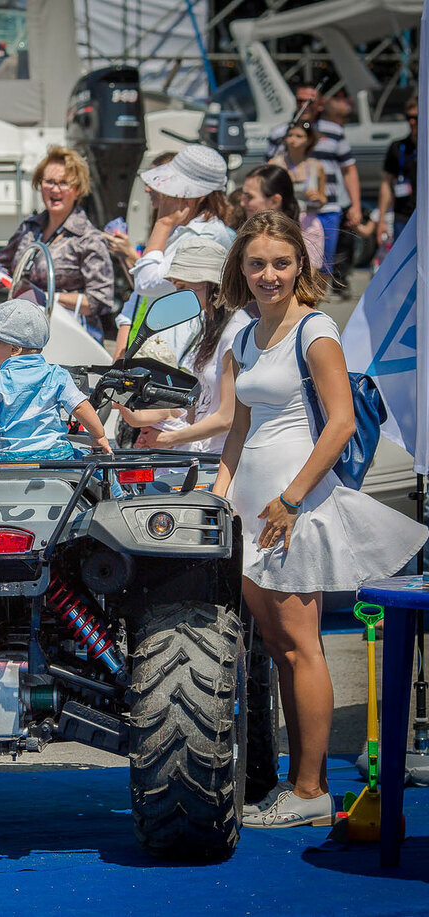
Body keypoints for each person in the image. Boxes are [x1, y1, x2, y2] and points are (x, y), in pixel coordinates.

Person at [212, 210, 426, 828]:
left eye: (281, 263)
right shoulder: (246, 335)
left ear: (300, 267)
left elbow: (341, 423)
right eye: (257, 263)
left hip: (292, 508)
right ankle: (297, 783)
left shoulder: (317, 330)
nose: (269, 274)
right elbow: (239, 430)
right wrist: (220, 499)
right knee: (279, 648)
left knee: (301, 647)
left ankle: (310, 790)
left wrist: (292, 499)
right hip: (253, 509)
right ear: (242, 269)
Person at [115, 236, 249, 453]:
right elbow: (195, 405)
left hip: (218, 460)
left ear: (213, 285)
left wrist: (169, 438)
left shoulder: (235, 332)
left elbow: (227, 417)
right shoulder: (206, 325)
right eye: (177, 287)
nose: (179, 295)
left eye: (185, 286)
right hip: (199, 453)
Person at [0, 299, 111, 459]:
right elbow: (81, 407)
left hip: (7, 457)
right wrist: (99, 436)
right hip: (54, 455)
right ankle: (116, 494)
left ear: (14, 349)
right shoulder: (57, 375)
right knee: (97, 469)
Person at [115, 144, 235, 362]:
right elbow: (141, 295)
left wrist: (163, 223)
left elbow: (146, 283)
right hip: (159, 349)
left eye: (168, 187)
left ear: (192, 197)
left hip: (184, 357)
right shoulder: (184, 231)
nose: (149, 189)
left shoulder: (208, 237)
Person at [0, 146, 113, 343]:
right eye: (49, 182)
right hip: (26, 333)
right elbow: (2, 263)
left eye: (64, 183)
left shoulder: (89, 238)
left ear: (78, 189)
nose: (55, 189)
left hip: (71, 336)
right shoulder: (29, 227)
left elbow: (99, 301)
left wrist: (45, 298)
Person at [265, 83, 361, 278]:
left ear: (320, 104)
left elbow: (349, 169)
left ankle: (314, 306)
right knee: (290, 264)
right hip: (292, 211)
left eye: (310, 101)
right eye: (300, 100)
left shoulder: (334, 131)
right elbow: (266, 175)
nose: (304, 105)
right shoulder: (280, 133)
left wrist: (356, 205)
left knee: (323, 267)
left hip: (327, 209)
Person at [240, 164, 324, 276]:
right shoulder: (241, 222)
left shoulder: (308, 226)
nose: (242, 203)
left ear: (275, 201)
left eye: (249, 197)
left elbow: (310, 276)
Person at [377, 94, 418, 244]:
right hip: (403, 213)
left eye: (417, 118)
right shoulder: (397, 147)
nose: (412, 122)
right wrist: (381, 220)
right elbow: (386, 184)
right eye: (409, 118)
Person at [269, 121, 327, 214]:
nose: (292, 140)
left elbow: (323, 199)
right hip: (284, 217)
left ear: (309, 140)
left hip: (309, 220)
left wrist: (319, 198)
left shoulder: (317, 166)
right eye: (289, 135)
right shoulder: (275, 164)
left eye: (298, 136)